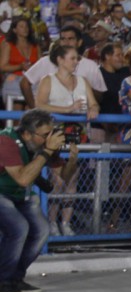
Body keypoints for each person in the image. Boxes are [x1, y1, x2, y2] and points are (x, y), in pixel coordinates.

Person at [0, 110, 79, 292]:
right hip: (5, 191)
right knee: (19, 228)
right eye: (45, 135)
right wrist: (48, 150)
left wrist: (73, 160)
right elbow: (23, 179)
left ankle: (15, 278)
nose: (49, 138)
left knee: (42, 231)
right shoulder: (6, 141)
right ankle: (3, 281)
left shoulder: (40, 144)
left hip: (18, 194)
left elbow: (64, 177)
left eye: (51, 134)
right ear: (27, 133)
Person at [34, 45, 99, 236]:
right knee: (57, 178)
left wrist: (93, 109)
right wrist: (67, 109)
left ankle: (66, 222)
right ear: (60, 60)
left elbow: (93, 102)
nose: (76, 62)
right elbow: (40, 104)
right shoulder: (48, 80)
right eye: (72, 58)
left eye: (77, 59)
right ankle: (52, 221)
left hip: (76, 134)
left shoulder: (82, 81)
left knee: (72, 178)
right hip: (55, 133)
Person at [2, 16, 39, 108]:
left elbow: (41, 65)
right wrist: (20, 66)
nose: (25, 29)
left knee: (30, 111)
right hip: (14, 79)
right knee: (16, 110)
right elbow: (2, 66)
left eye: (26, 26)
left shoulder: (35, 46)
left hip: (32, 81)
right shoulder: (8, 45)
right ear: (14, 30)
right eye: (21, 26)